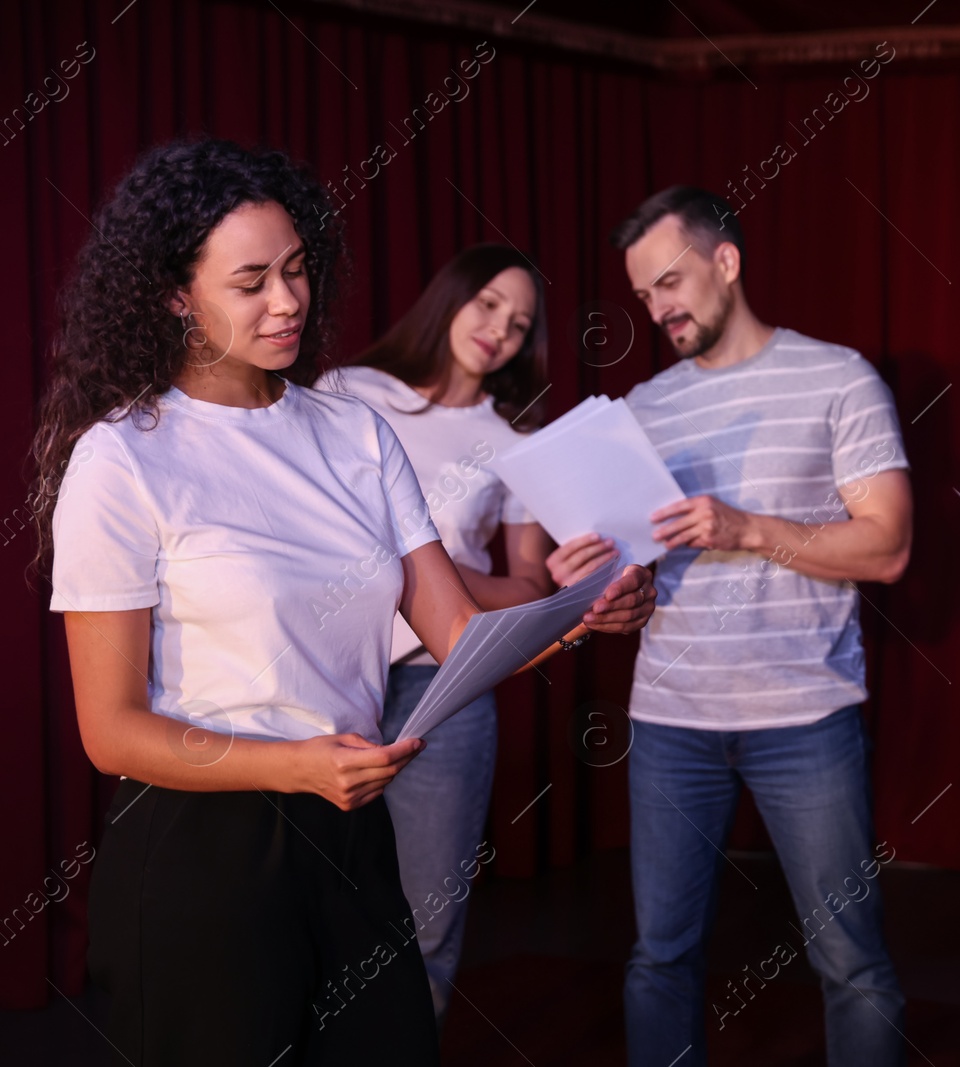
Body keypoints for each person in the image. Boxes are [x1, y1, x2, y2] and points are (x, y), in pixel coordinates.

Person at [31, 137, 655, 1066]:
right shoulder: (124, 458)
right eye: (251, 281)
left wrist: (582, 614)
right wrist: (291, 765)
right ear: (176, 294)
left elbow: (460, 633)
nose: (288, 300)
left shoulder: (353, 430)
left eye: (296, 269)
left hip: (351, 825)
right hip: (208, 847)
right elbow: (111, 731)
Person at [609, 185, 911, 1067]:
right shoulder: (642, 407)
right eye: (644, 295)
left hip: (804, 717)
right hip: (670, 718)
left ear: (727, 261)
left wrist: (749, 529)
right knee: (658, 957)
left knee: (849, 958)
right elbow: (635, 559)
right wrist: (607, 589)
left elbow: (887, 547)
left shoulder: (838, 377)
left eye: (670, 281)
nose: (660, 307)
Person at [317, 243, 638, 1021]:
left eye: (520, 322)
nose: (500, 329)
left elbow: (529, 586)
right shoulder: (346, 392)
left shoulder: (516, 440)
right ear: (449, 297)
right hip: (327, 676)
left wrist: (426, 575)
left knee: (428, 919)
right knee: (317, 912)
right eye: (489, 303)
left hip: (445, 684)